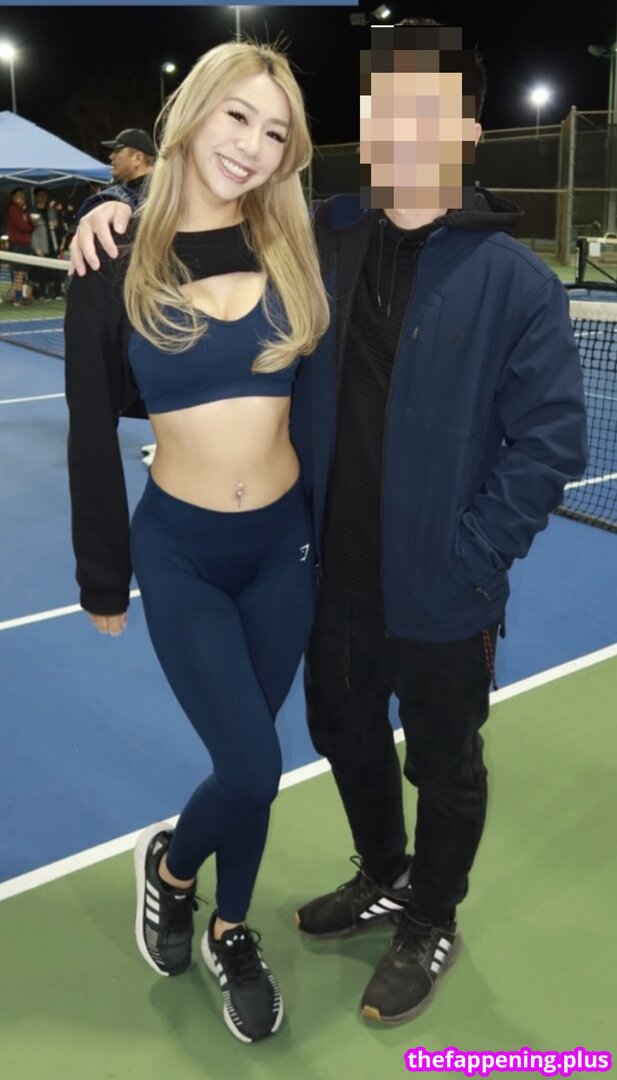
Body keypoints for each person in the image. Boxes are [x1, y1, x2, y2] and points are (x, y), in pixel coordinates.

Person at [70, 18, 588, 1027]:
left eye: (430, 113)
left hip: (442, 587)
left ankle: (428, 915)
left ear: (467, 130)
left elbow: (549, 446)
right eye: (389, 110)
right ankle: (382, 873)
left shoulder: (515, 281)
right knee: (341, 737)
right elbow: (201, 212)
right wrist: (109, 202)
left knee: (444, 764)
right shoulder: (315, 239)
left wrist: (470, 559)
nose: (406, 133)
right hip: (324, 573)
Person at [64, 40, 329, 1044]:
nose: (251, 145)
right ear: (193, 113)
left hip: (283, 549)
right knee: (252, 765)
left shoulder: (295, 247)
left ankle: (227, 925)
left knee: (253, 754)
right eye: (236, 117)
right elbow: (90, 426)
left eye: (274, 132)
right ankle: (173, 870)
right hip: (180, 553)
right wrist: (103, 576)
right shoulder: (114, 257)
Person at [76, 128, 157, 221]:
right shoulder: (162, 192)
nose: (111, 156)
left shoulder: (160, 195)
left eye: (117, 151)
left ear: (138, 158)